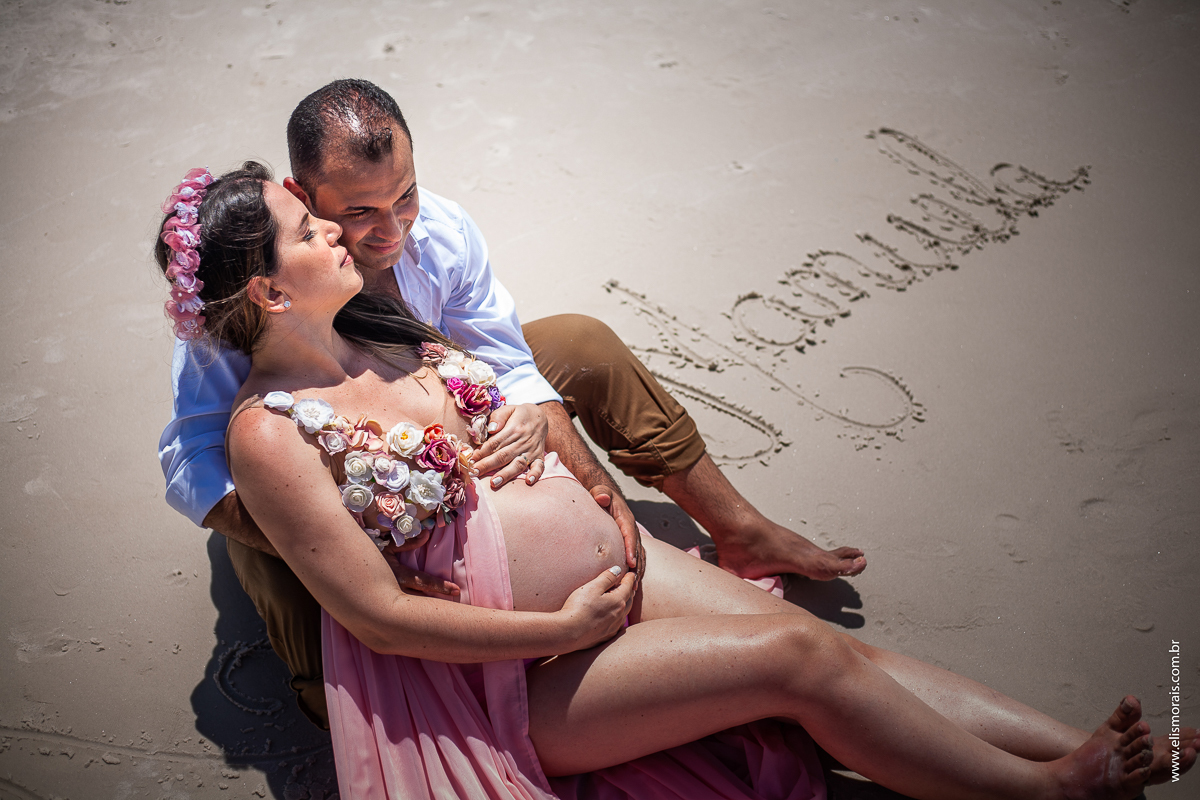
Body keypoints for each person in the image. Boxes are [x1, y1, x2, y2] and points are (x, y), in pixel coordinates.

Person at [154, 161, 1195, 800]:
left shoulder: (374, 323)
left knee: (828, 645)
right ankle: (1048, 791)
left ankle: (1088, 749)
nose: (338, 230)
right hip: (509, 680)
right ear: (267, 292)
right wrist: (555, 624)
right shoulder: (267, 434)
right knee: (795, 655)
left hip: (615, 576)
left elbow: (511, 377)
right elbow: (379, 621)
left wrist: (553, 454)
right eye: (310, 231)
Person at [158, 79, 864, 727]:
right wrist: (349, 545)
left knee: (581, 342)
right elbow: (194, 464)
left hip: (423, 399)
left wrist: (591, 486)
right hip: (300, 483)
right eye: (360, 212)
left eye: (405, 195)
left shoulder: (442, 231)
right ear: (302, 194)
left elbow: (509, 362)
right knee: (308, 608)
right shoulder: (241, 306)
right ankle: (339, 693)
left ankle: (739, 529)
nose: (394, 230)